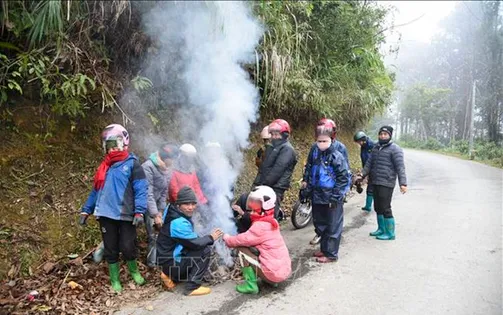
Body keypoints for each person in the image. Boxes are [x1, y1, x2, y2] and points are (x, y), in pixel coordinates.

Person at [79, 124, 148, 293]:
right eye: (107, 146)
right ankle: (115, 280)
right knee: (110, 248)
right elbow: (96, 191)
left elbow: (141, 189)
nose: (110, 150)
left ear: (124, 143)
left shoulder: (133, 165)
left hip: (126, 214)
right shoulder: (104, 167)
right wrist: (86, 210)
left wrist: (139, 211)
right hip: (105, 214)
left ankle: (134, 272)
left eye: (113, 145)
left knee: (127, 246)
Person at [156, 186, 224, 296]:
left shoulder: (172, 210)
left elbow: (188, 239)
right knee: (204, 250)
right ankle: (192, 287)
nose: (190, 207)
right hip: (171, 262)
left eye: (193, 204)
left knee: (199, 244)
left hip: (167, 259)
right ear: (179, 204)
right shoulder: (178, 223)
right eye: (186, 204)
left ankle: (169, 274)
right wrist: (211, 237)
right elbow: (195, 244)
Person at [223, 186, 291, 294]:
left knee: (241, 249)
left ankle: (251, 285)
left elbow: (240, 240)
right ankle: (271, 282)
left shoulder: (260, 227)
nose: (251, 207)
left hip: (273, 274)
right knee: (261, 251)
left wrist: (226, 238)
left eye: (256, 203)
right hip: (284, 272)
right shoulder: (272, 221)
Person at [301, 120, 350, 263]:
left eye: (324, 140)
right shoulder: (315, 150)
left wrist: (336, 196)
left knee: (333, 225)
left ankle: (331, 254)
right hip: (318, 192)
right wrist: (306, 185)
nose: (321, 143)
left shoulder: (337, 153)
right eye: (319, 140)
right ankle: (324, 249)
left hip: (331, 194)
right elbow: (310, 168)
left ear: (332, 137)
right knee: (320, 223)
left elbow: (343, 176)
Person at [357, 126, 407, 240]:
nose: (383, 136)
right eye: (381, 134)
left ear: (390, 136)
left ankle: (390, 233)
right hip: (375, 181)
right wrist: (362, 175)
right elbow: (369, 164)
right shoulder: (376, 147)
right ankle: (381, 229)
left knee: (385, 207)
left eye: (385, 134)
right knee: (377, 207)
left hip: (387, 182)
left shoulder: (395, 149)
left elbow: (400, 167)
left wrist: (403, 184)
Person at [142, 143, 179, 267]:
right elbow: (148, 193)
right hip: (143, 205)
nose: (173, 162)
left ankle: (160, 261)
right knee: (153, 234)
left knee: (160, 233)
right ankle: (152, 264)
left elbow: (164, 192)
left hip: (156, 205)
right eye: (172, 159)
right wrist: (155, 214)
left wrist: (161, 211)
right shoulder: (148, 167)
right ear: (166, 157)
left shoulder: (167, 169)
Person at [253, 119, 298, 220]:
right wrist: (258, 183)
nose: (274, 137)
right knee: (259, 215)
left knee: (269, 218)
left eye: (277, 134)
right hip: (265, 186)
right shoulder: (273, 147)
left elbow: (277, 171)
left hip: (275, 188)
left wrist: (263, 185)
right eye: (272, 134)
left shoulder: (287, 149)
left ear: (284, 134)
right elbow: (264, 167)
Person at [354, 131, 375, 212]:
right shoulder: (363, 146)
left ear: (363, 139)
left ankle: (369, 206)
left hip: (374, 170)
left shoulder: (373, 146)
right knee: (370, 187)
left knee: (371, 188)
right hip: (367, 169)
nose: (358, 144)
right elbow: (364, 160)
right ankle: (368, 206)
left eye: (359, 142)